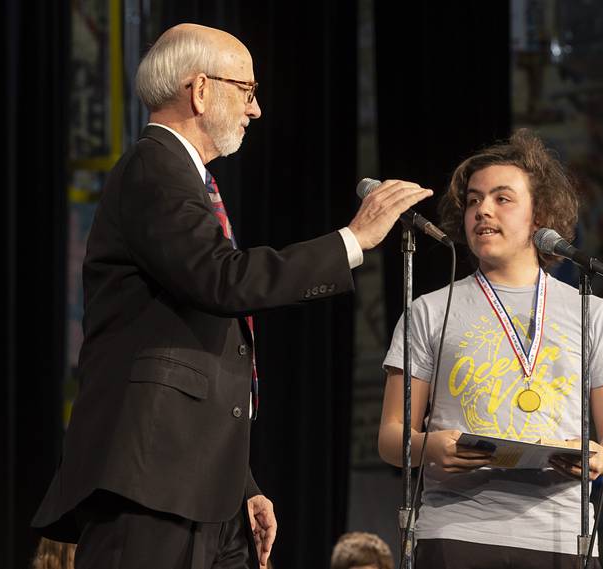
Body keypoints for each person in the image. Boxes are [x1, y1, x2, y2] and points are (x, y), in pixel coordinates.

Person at [31, 23, 431, 569]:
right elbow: (224, 279)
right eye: (247, 90)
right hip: (151, 481)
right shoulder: (153, 167)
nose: (256, 109)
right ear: (199, 90)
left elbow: (189, 342)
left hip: (196, 484)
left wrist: (240, 485)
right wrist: (353, 239)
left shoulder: (185, 179)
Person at [378, 130, 603, 568]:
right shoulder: (429, 311)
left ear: (541, 216)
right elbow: (390, 436)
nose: (483, 210)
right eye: (474, 200)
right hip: (456, 532)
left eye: (502, 199)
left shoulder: (593, 314)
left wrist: (595, 456)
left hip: (560, 538)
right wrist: (430, 447)